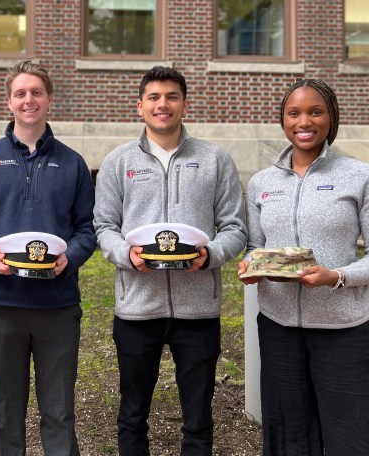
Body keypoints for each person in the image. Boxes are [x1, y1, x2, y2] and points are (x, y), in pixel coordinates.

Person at [238, 79, 369, 456]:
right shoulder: (262, 183)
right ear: (283, 120)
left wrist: (337, 277)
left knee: (347, 438)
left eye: (315, 111)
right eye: (294, 113)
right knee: (287, 436)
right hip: (278, 329)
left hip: (343, 330)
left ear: (331, 118)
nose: (303, 121)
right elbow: (255, 247)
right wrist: (251, 266)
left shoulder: (362, 177)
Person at [94, 66, 247, 456]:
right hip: (137, 306)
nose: (163, 105)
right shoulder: (117, 161)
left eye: (172, 97)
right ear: (140, 106)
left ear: (185, 104)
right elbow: (104, 226)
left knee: (198, 416)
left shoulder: (215, 159)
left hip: (198, 310)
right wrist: (124, 256)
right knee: (132, 412)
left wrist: (211, 254)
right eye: (155, 97)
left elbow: (235, 227)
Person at [0, 60, 96, 456]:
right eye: (20, 93)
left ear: (49, 99)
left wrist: (73, 257)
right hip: (2, 304)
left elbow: (88, 227)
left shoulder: (72, 163)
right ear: (9, 101)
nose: (28, 100)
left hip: (58, 306)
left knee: (60, 412)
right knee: (5, 412)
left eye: (36, 92)